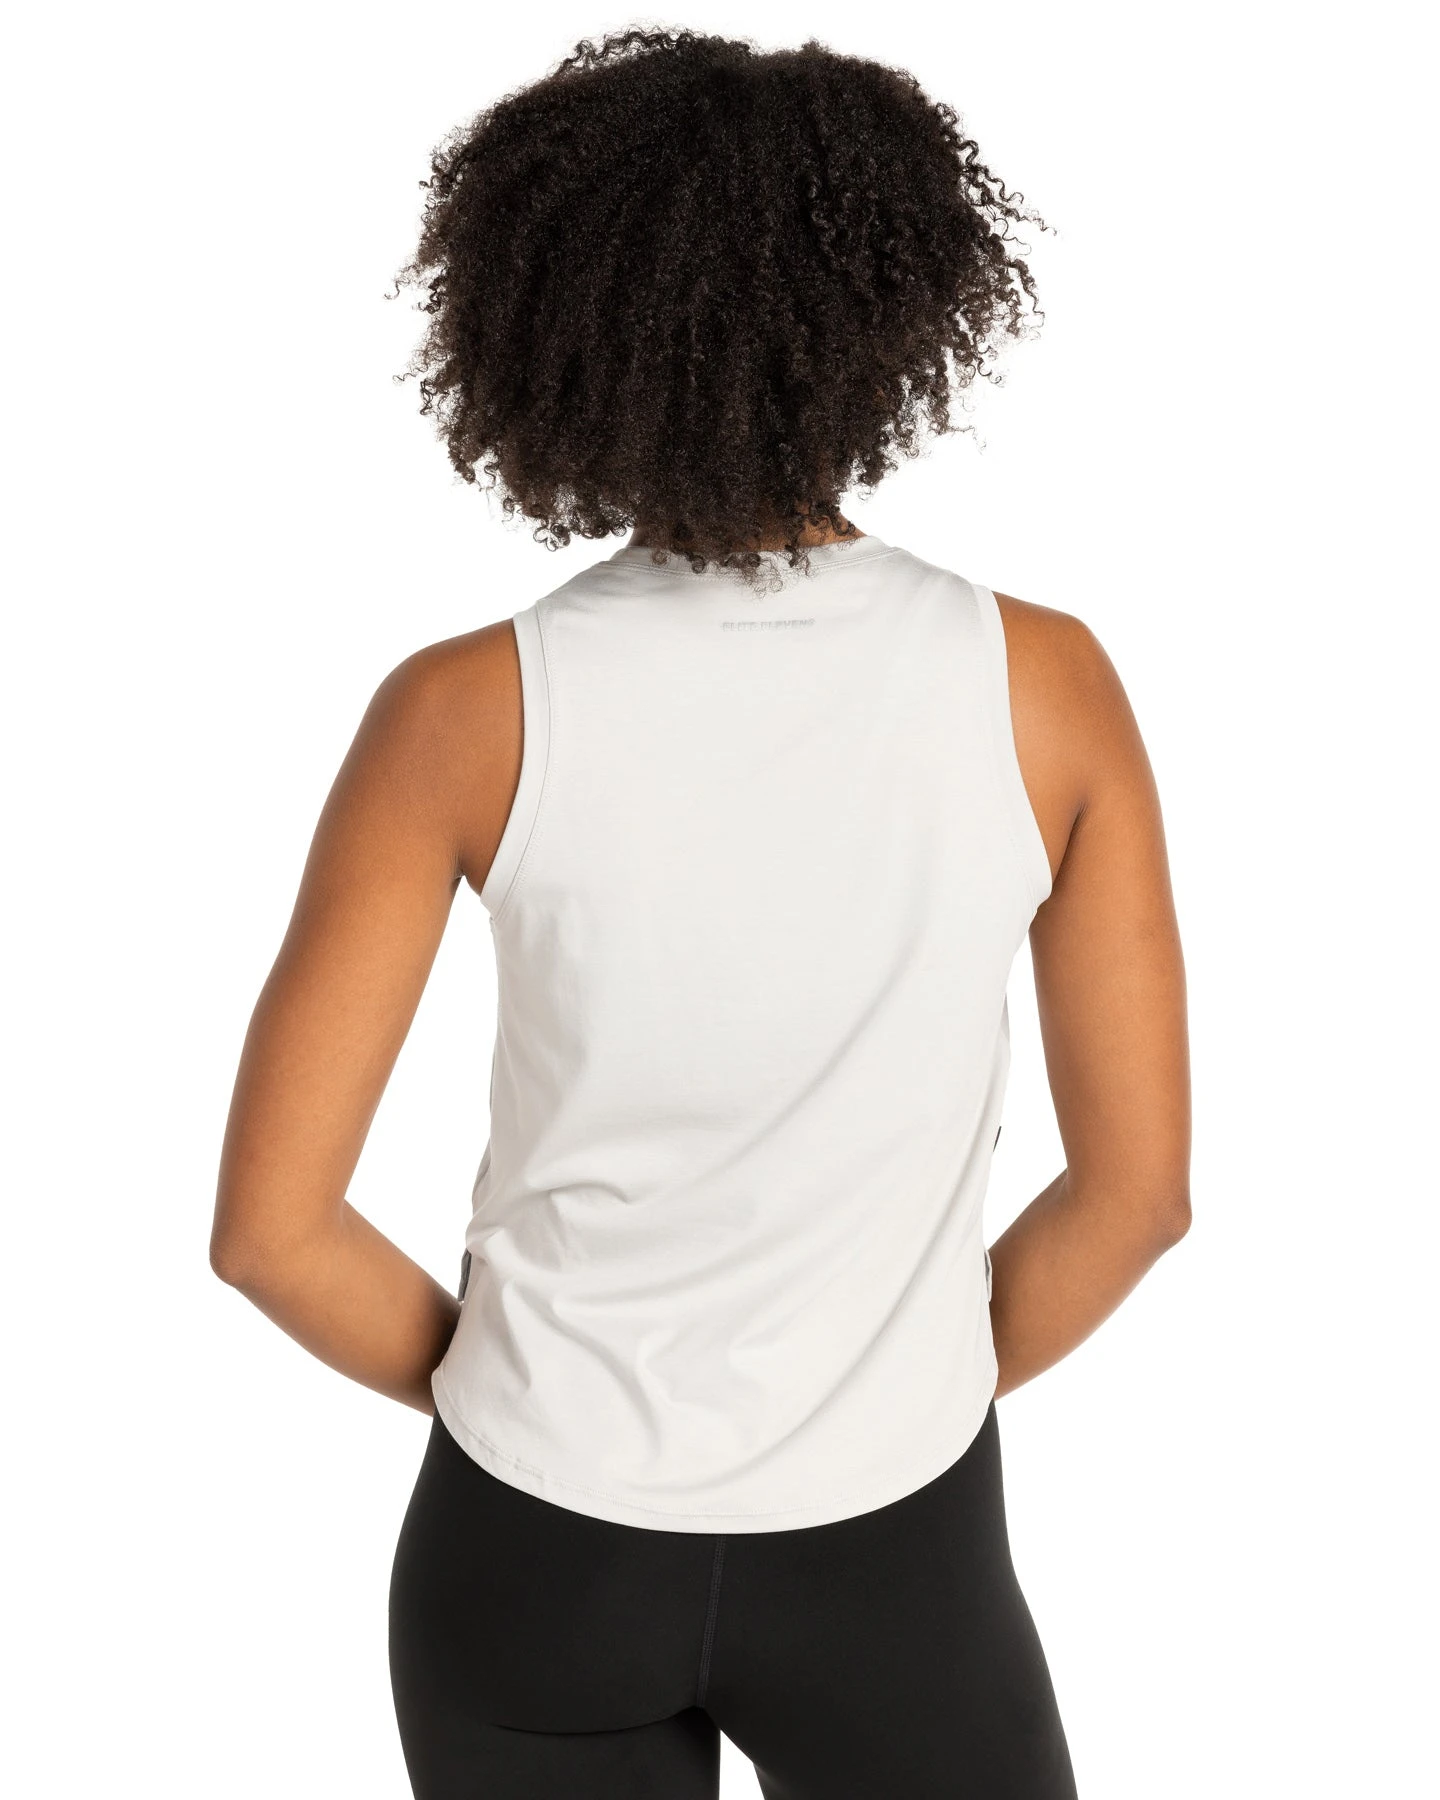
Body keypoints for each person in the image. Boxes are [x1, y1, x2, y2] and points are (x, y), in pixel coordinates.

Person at [210, 25, 1190, 1800]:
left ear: (547, 335)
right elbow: (1137, 1198)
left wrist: (524, 1404)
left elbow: (271, 1233)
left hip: (531, 1557)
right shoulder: (1044, 687)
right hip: (897, 1555)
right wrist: (882, 1392)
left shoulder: (462, 710)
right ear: (889, 319)